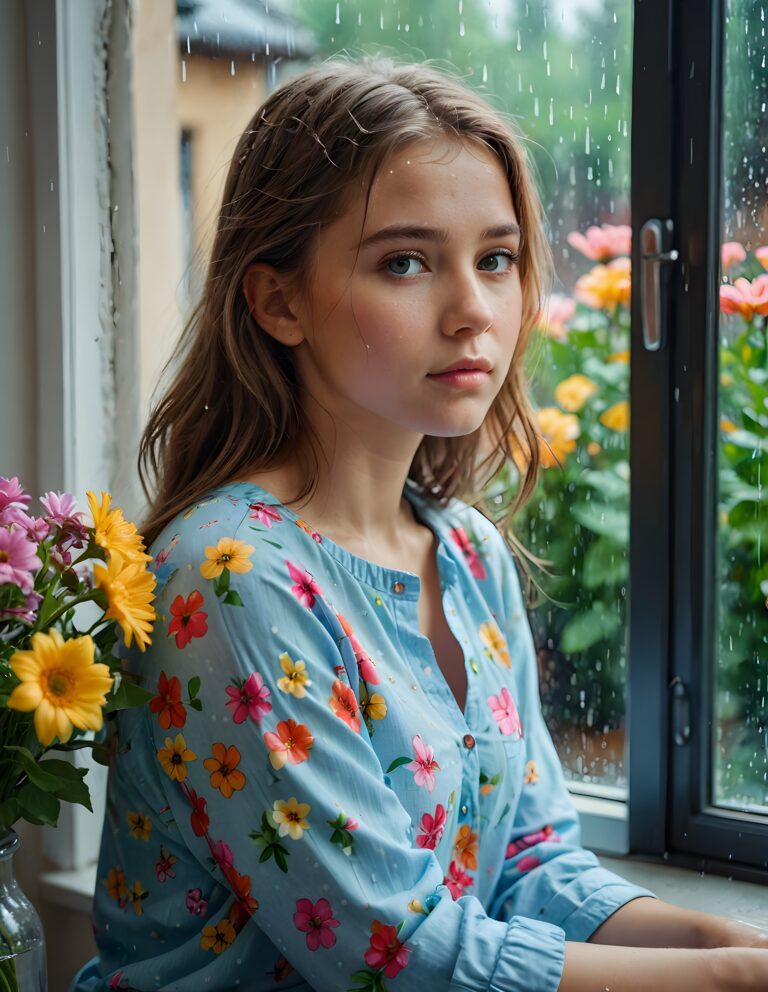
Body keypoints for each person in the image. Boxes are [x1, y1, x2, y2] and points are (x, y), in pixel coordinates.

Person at [71, 56, 768, 992]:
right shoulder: (227, 572)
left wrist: (726, 941)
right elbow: (396, 959)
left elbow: (530, 865)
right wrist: (728, 982)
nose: (473, 311)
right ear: (277, 301)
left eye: (497, 258)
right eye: (405, 262)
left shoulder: (467, 549)